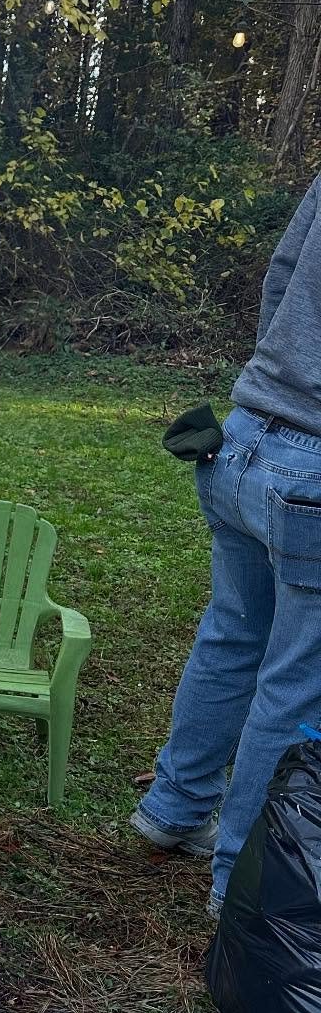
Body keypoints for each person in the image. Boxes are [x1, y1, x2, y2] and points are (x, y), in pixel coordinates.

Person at [131, 170, 321, 915]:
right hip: (309, 470)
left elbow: (281, 274)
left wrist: (281, 378)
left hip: (243, 440)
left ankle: (174, 809)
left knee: (233, 635)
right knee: (297, 683)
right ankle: (240, 886)